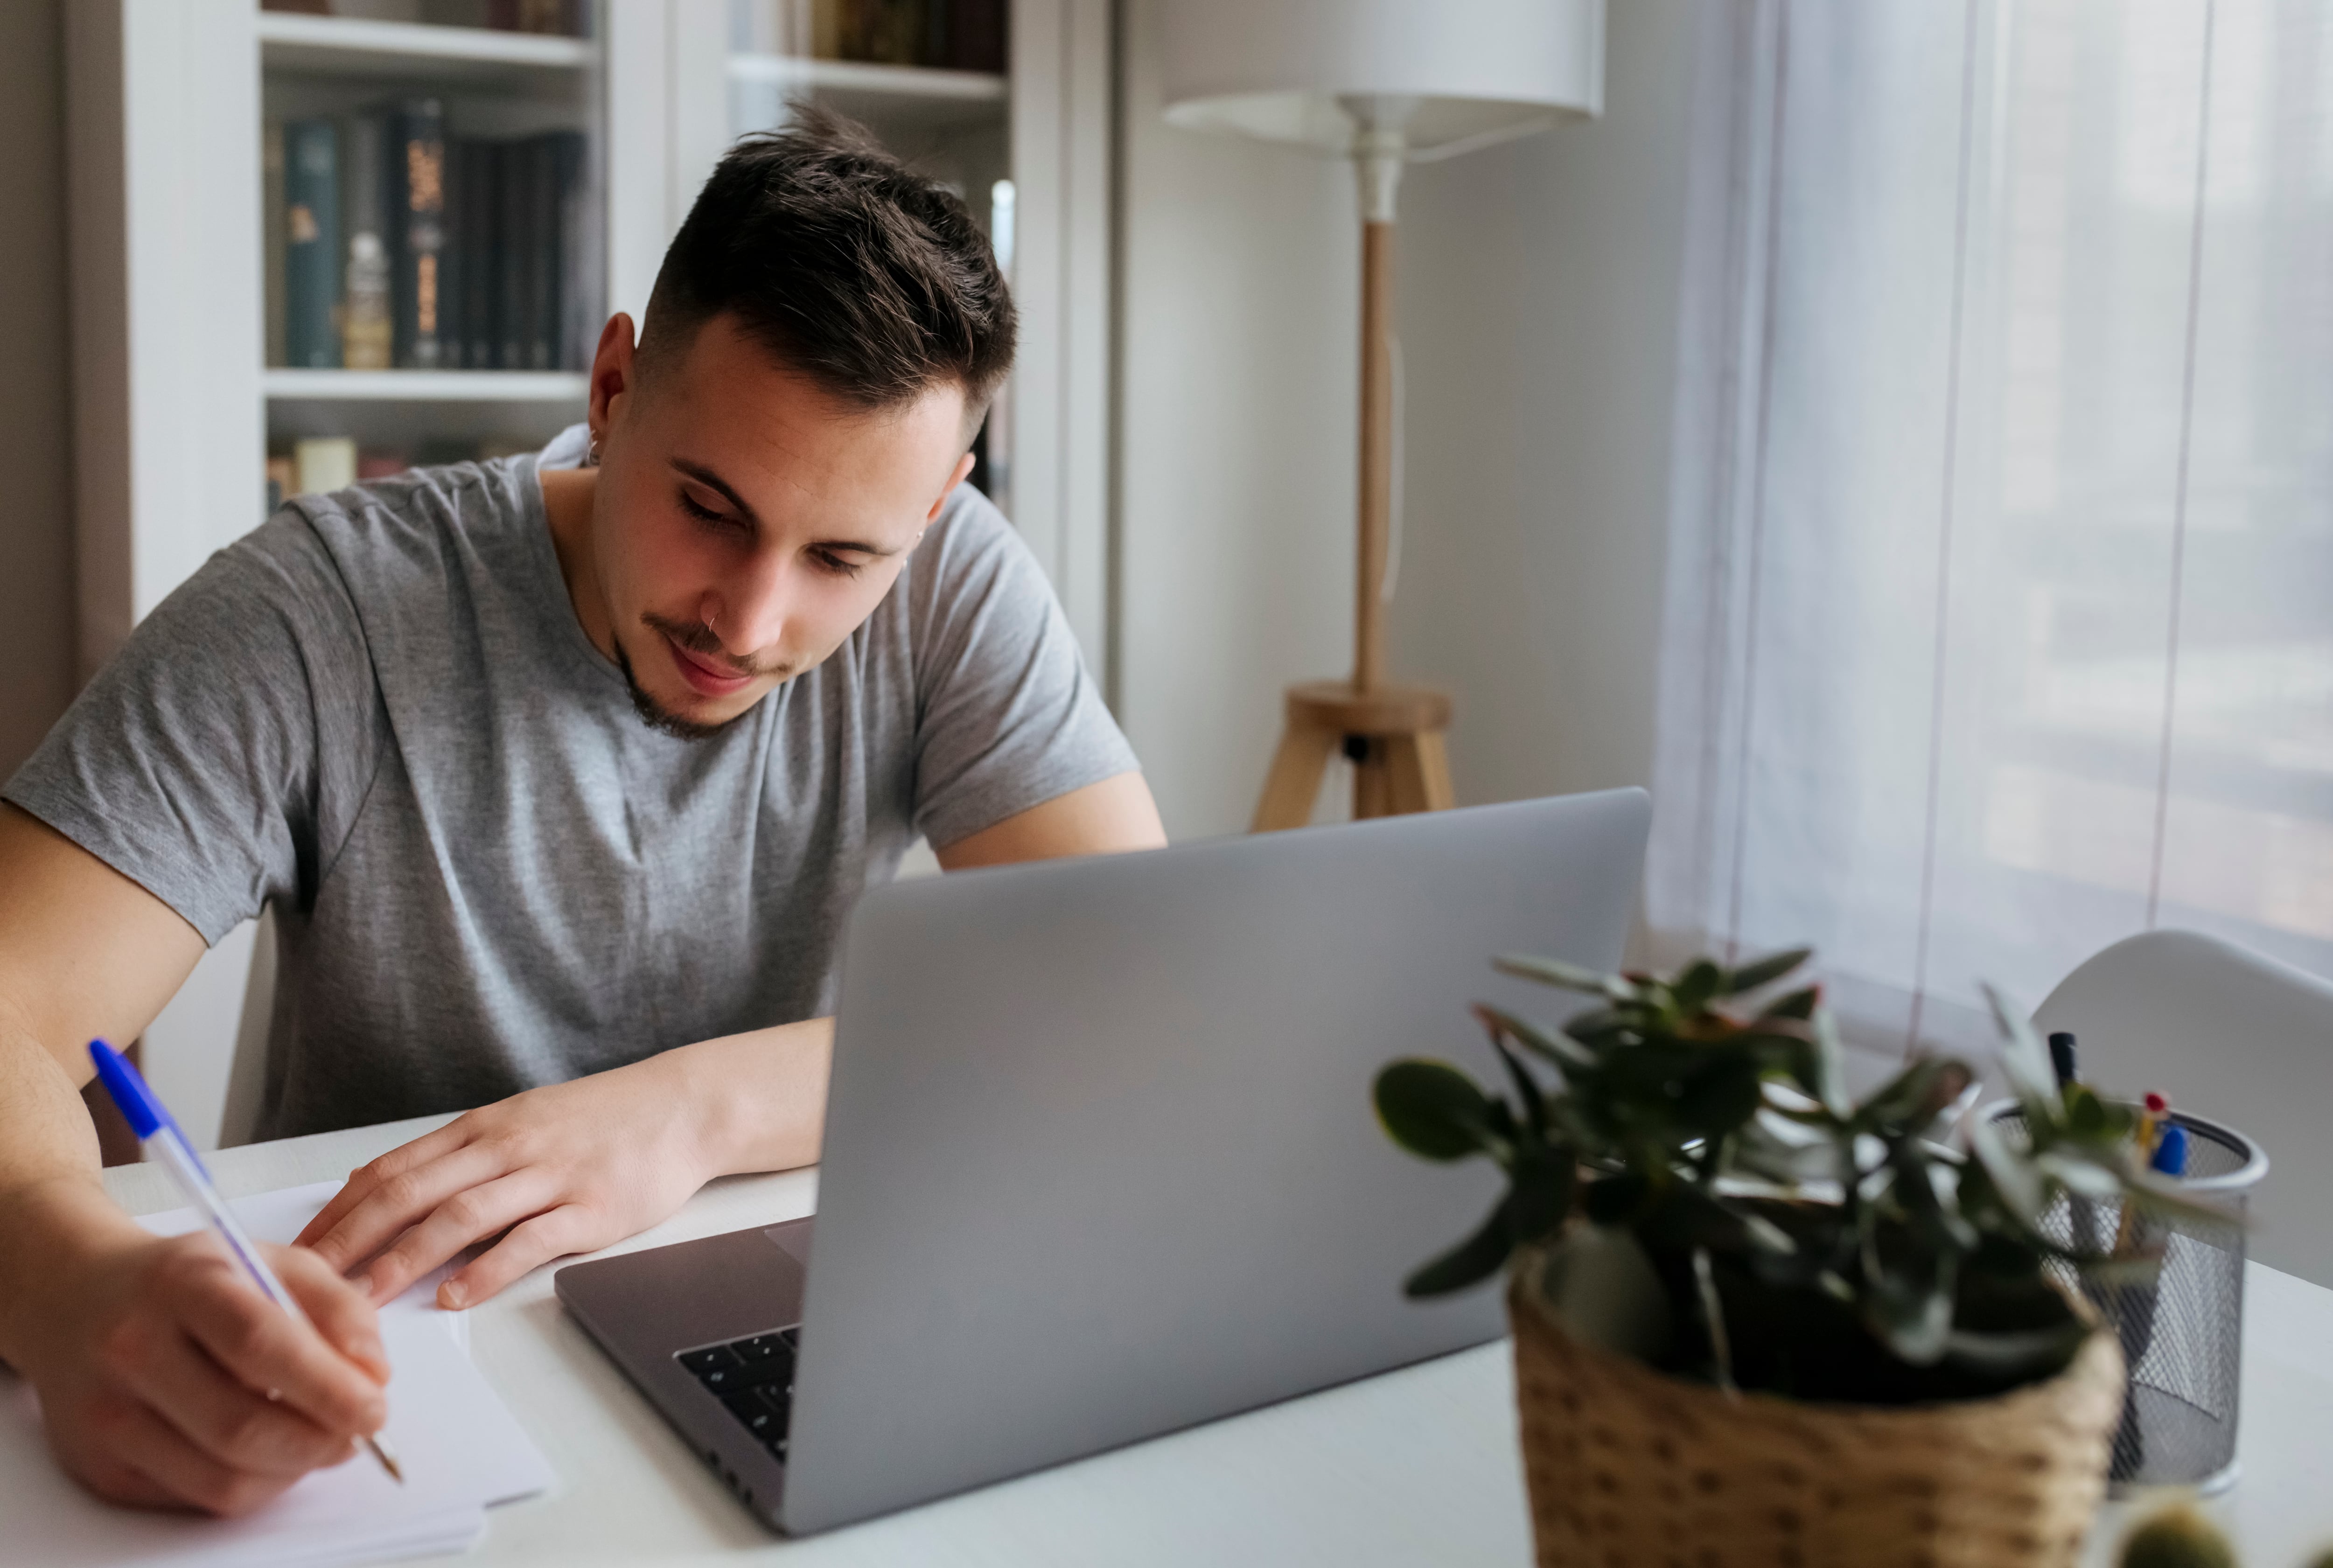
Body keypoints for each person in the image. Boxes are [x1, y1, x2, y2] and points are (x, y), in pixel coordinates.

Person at [0, 115, 1164, 1517]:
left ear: (933, 509)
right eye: (710, 507)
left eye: (844, 556)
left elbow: (1118, 984)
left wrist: (684, 1113)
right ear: (614, 387)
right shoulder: (324, 606)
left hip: (763, 1299)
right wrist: (61, 1268)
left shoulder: (953, 580)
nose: (751, 617)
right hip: (401, 1364)